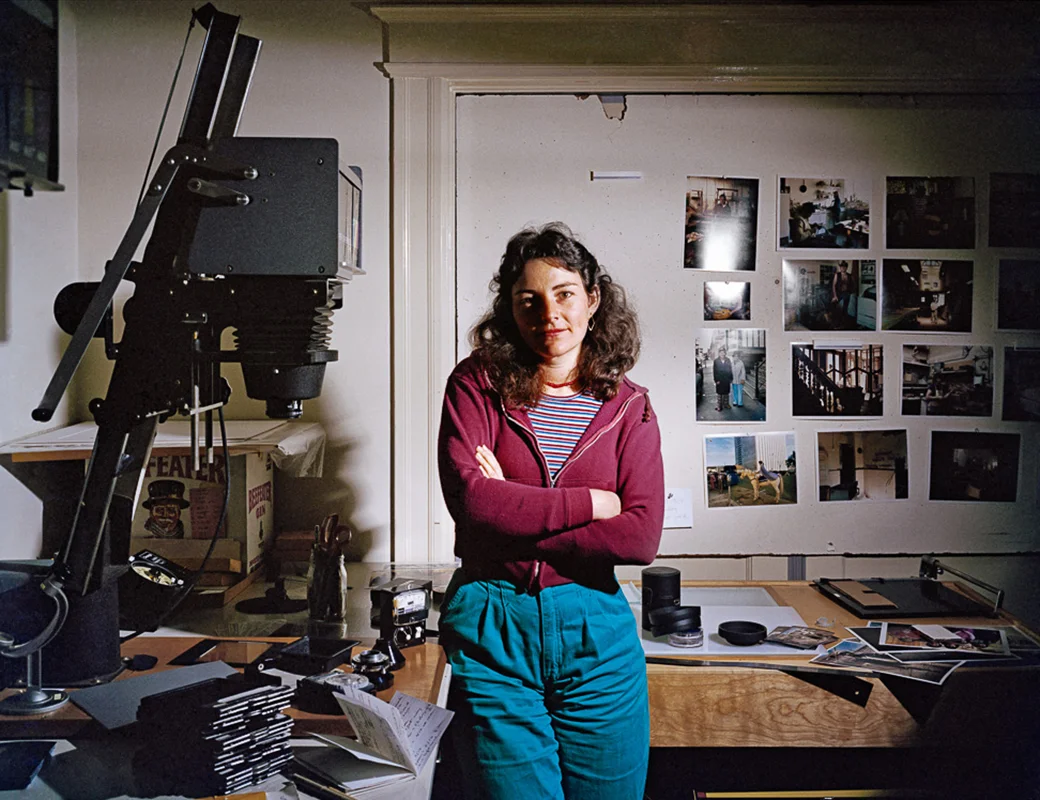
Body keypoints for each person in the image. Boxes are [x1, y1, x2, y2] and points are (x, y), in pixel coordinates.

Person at [437, 223, 664, 800]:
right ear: (509, 310)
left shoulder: (629, 406)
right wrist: (590, 504)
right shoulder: (476, 385)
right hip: (493, 627)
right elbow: (474, 506)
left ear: (593, 299)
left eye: (564, 293)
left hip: (597, 634)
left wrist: (512, 519)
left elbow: (639, 537)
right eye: (528, 300)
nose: (548, 314)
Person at [831, 261, 854, 326]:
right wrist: (835, 296)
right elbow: (833, 285)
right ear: (840, 268)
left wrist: (850, 292)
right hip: (838, 293)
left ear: (846, 268)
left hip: (846, 293)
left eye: (844, 267)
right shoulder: (837, 274)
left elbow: (853, 284)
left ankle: (843, 322)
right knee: (834, 306)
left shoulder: (849, 276)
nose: (843, 268)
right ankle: (835, 321)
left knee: (845, 308)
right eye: (841, 267)